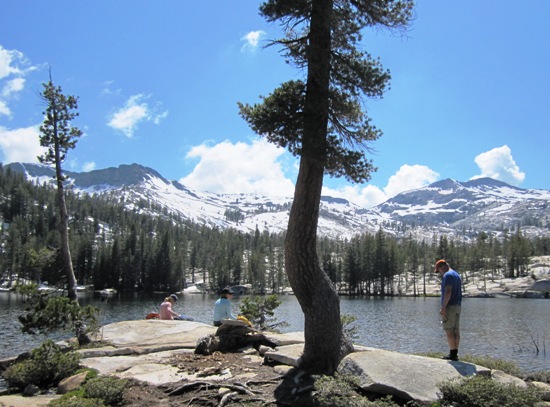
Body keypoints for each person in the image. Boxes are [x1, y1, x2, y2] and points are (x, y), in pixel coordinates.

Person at [435, 259, 462, 361]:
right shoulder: (456, 275)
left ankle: (452, 354)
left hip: (450, 306)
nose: (440, 274)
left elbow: (448, 291)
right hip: (458, 306)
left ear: (442, 267)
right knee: (456, 330)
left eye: (439, 271)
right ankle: (455, 353)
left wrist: (443, 307)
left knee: (449, 331)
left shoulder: (448, 275)